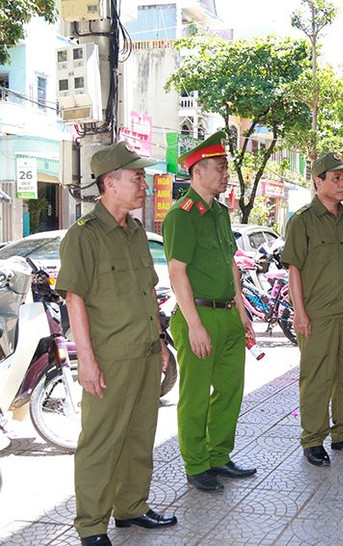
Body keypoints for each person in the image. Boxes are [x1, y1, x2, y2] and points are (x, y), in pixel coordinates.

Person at [57, 142, 177, 546]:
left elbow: (147, 291)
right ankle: (92, 525)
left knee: (140, 435)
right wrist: (87, 361)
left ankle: (131, 507)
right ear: (110, 183)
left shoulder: (136, 232)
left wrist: (160, 341)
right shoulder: (84, 236)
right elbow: (74, 299)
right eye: (137, 177)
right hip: (110, 357)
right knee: (101, 441)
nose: (145, 184)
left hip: (145, 352)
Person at [162, 131, 256, 492]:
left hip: (228, 313)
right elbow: (177, 272)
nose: (225, 173)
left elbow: (231, 264)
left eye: (226, 167)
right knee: (196, 394)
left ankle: (219, 455)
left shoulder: (219, 212)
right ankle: (197, 464)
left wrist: (242, 311)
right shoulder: (182, 215)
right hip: (198, 315)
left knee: (231, 389)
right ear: (198, 171)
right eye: (219, 167)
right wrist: (194, 324)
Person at [282, 152, 343, 466]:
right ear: (318, 181)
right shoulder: (302, 221)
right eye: (336, 178)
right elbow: (294, 269)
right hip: (319, 315)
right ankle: (313, 439)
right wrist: (299, 312)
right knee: (317, 378)